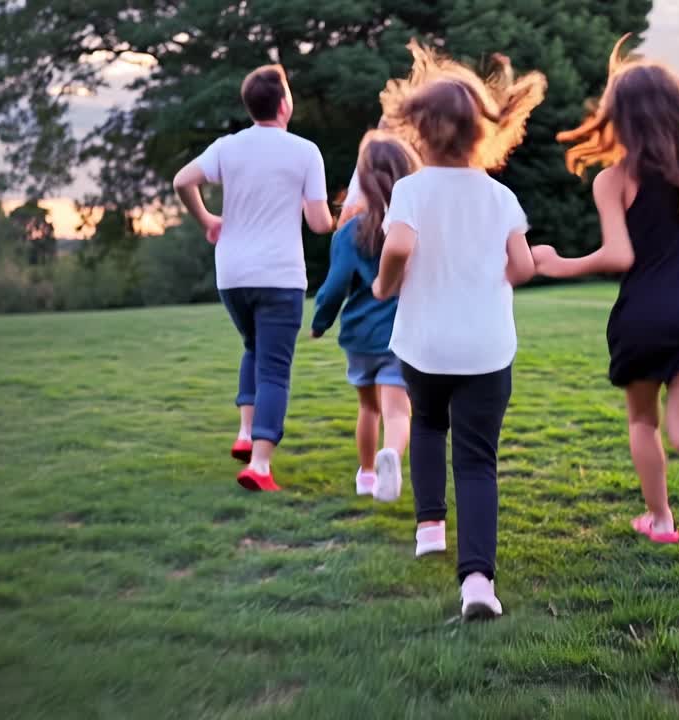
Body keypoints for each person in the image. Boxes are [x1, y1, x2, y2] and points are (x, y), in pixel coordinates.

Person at [532, 35, 679, 544]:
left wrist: (560, 265)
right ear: (677, 115)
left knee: (643, 423)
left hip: (642, 319)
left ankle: (661, 521)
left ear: (620, 118)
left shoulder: (613, 180)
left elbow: (620, 256)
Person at [373, 41, 546, 620]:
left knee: (426, 423)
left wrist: (384, 285)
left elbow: (399, 244)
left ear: (419, 130)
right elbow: (523, 268)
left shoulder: (411, 189)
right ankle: (477, 583)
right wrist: (494, 274)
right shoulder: (500, 196)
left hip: (425, 344)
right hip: (486, 348)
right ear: (484, 132)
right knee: (476, 461)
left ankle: (429, 527)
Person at [173, 64, 334, 493]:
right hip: (279, 276)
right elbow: (319, 223)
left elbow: (182, 180)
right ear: (284, 105)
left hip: (232, 275)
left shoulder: (227, 147)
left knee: (254, 347)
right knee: (275, 370)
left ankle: (246, 433)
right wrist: (339, 214)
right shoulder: (305, 151)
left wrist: (208, 219)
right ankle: (260, 466)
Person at [311, 131, 420, 502]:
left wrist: (320, 323)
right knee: (397, 410)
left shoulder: (349, 233)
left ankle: (368, 475)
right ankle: (392, 455)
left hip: (359, 337)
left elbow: (334, 287)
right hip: (401, 335)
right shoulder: (417, 227)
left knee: (368, 407)